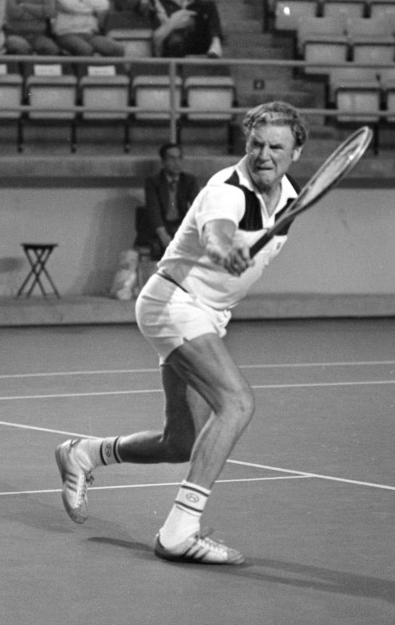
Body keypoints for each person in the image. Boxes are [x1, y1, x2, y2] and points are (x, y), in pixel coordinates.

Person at [55, 101, 309, 565]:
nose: (264, 155)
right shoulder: (226, 189)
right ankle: (179, 531)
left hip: (207, 315)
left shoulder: (292, 198)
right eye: (256, 144)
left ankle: (85, 454)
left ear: (296, 151)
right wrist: (221, 249)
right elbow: (216, 232)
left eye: (277, 146)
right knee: (236, 402)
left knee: (180, 442)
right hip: (175, 303)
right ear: (245, 145)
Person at [141, 143, 201, 260]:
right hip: (158, 230)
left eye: (179, 158)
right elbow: (153, 209)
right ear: (163, 161)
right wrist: (163, 234)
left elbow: (198, 207)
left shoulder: (189, 180)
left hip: (179, 227)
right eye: (172, 159)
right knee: (129, 259)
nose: (177, 163)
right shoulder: (153, 181)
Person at [151, 0, 223, 58]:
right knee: (176, 40)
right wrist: (181, 21)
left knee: (208, 3)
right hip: (170, 42)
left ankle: (215, 42)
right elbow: (160, 32)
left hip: (193, 41)